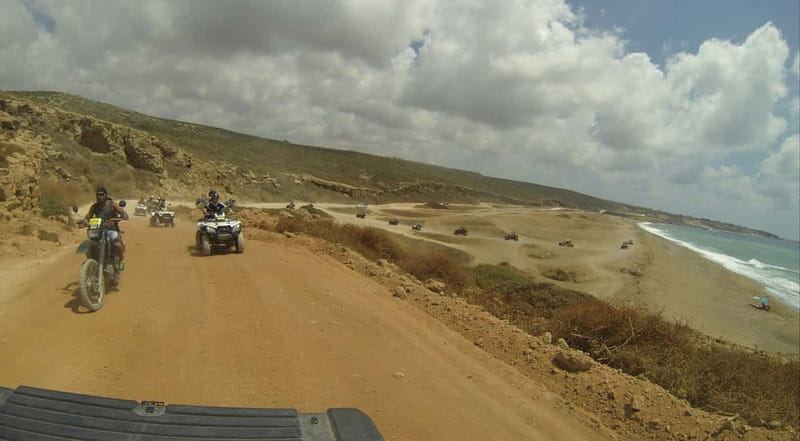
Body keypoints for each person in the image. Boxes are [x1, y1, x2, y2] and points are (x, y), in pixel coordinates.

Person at [84, 187, 129, 270]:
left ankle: (121, 259)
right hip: (98, 230)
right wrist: (84, 222)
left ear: (106, 195)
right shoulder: (94, 206)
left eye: (101, 194)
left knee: (117, 244)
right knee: (89, 245)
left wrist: (123, 216)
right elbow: (88, 217)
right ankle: (91, 262)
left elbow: (123, 213)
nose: (99, 197)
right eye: (97, 195)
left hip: (111, 229)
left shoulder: (113, 204)